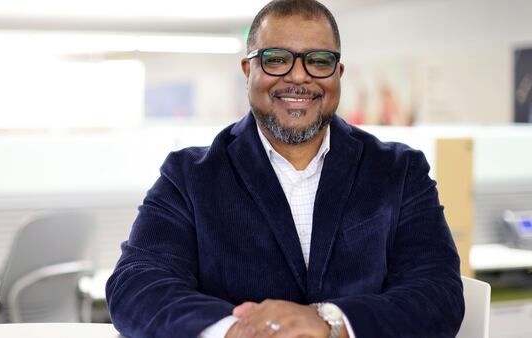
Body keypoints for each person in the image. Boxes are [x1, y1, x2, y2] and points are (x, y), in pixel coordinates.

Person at [106, 0, 465, 337]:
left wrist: (330, 323)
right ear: (249, 70)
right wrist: (237, 330)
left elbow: (437, 292)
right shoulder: (189, 175)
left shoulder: (399, 171)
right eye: (276, 59)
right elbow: (137, 284)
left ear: (338, 73)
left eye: (319, 61)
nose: (298, 77)